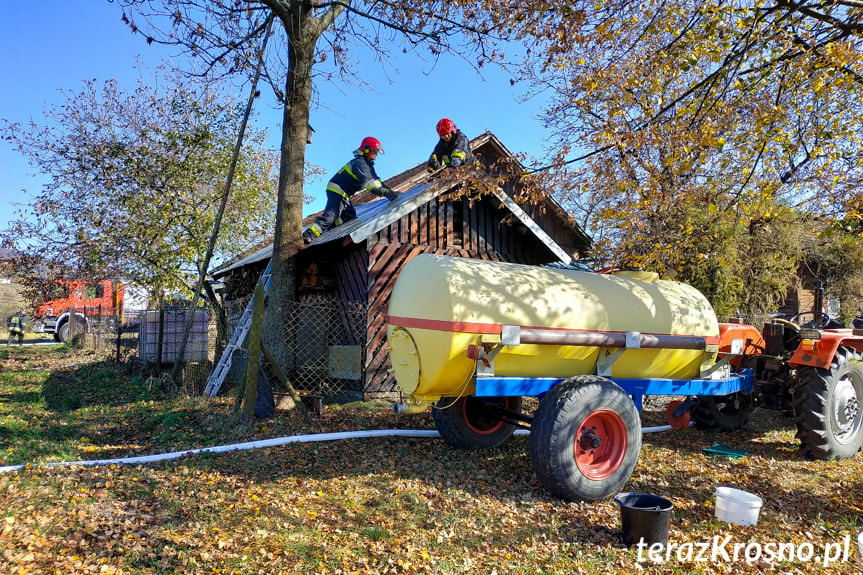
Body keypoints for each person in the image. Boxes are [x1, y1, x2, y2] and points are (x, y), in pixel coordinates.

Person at [303, 137, 399, 244]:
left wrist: (390, 191)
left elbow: (377, 182)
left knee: (349, 215)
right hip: (337, 189)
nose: (376, 154)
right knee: (332, 214)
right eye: (375, 151)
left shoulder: (367, 165)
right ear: (367, 150)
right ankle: (309, 234)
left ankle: (332, 229)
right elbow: (371, 186)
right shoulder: (360, 164)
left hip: (344, 193)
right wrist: (389, 194)